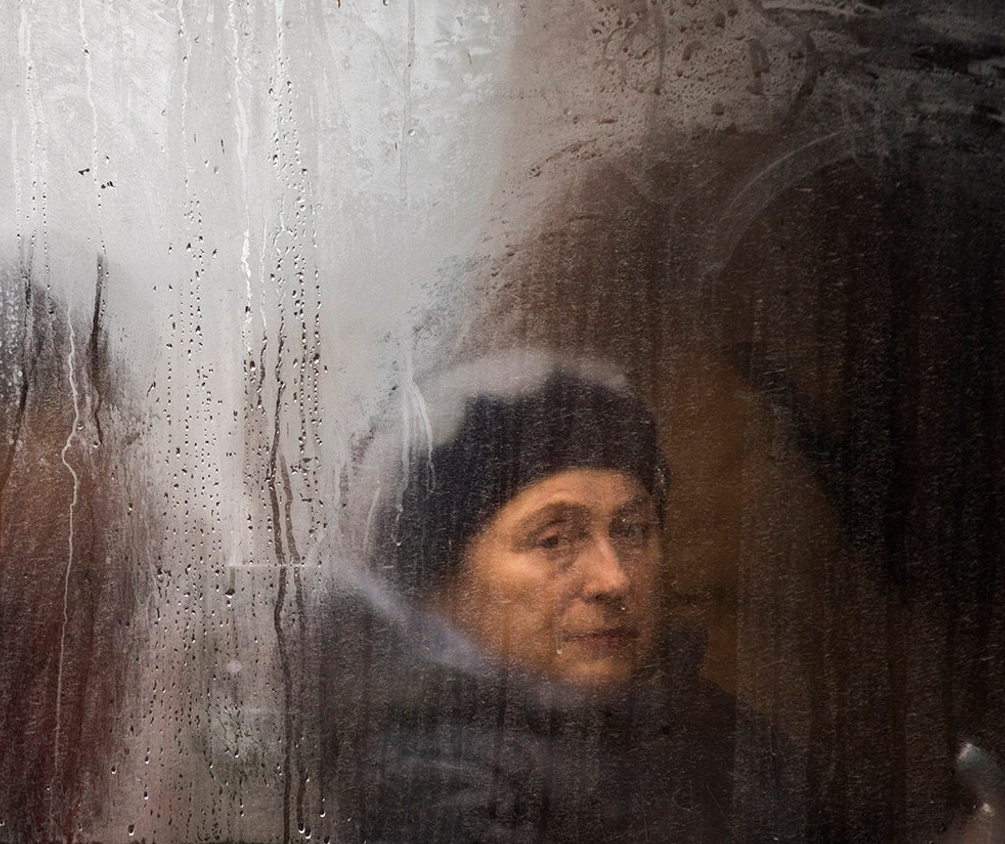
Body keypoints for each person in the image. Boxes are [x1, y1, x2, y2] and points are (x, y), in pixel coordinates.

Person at [318, 351, 802, 844]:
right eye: (553, 540)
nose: (613, 581)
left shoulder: (722, 734)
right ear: (441, 579)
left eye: (631, 530)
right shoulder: (429, 780)